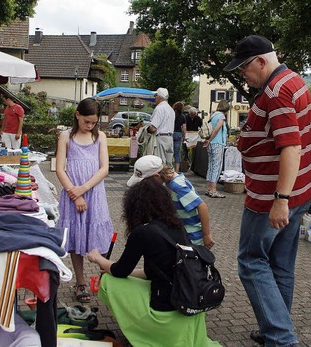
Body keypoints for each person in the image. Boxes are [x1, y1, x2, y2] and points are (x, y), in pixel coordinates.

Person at [223, 34, 311, 346]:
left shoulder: (276, 92)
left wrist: (280, 200)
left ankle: (280, 336)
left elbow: (291, 147)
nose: (242, 75)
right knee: (280, 265)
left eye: (244, 69)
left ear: (262, 61)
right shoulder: (293, 80)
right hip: (298, 191)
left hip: (271, 198)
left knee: (251, 262)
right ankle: (275, 329)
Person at [86, 177, 220, 347]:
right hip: (188, 301)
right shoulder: (178, 227)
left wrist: (98, 258)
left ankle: (141, 331)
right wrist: (112, 267)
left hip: (164, 308)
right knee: (117, 275)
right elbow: (152, 272)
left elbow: (120, 271)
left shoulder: (142, 232)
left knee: (108, 281)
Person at [56, 98, 113, 304]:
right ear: (77, 115)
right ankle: (80, 283)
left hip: (94, 193)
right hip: (73, 195)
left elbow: (104, 168)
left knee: (99, 234)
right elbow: (60, 169)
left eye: (94, 122)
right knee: (76, 239)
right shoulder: (66, 136)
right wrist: (75, 193)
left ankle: (106, 277)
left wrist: (83, 189)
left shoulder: (100, 137)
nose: (90, 126)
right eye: (86, 121)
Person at [127, 155, 215, 248]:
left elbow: (202, 206)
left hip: (192, 237)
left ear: (156, 176)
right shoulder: (169, 182)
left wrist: (206, 235)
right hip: (183, 232)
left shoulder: (177, 186)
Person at [203, 100, 229, 198]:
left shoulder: (213, 116)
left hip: (211, 144)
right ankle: (213, 189)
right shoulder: (221, 116)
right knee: (216, 166)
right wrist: (210, 139)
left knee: (211, 165)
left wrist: (208, 140)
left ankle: (209, 188)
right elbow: (217, 129)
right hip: (218, 143)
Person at [148, 87, 175, 166]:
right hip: (170, 138)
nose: (155, 98)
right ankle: (171, 178)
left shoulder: (159, 108)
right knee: (169, 164)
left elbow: (153, 128)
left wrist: (147, 129)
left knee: (160, 163)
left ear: (158, 97)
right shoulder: (170, 109)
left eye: (156, 96)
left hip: (161, 138)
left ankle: (162, 178)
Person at [172, 101, 186, 171]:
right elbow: (184, 128)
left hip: (170, 133)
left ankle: (169, 168)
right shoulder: (182, 116)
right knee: (177, 152)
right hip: (178, 134)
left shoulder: (172, 114)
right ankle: (177, 169)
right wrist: (184, 136)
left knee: (169, 151)